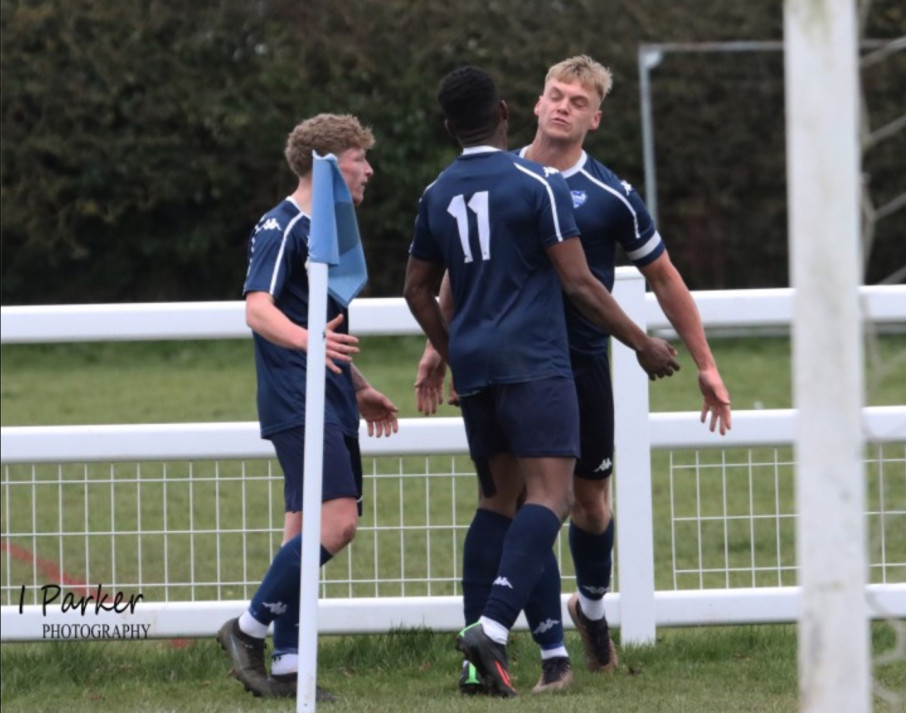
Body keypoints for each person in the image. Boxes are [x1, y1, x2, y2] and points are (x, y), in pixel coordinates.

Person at [414, 55, 732, 688]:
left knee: (585, 505)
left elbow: (663, 277)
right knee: (536, 500)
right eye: (553, 95)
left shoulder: (609, 193)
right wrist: (435, 350)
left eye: (576, 101)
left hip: (579, 365)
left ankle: (586, 612)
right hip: (532, 364)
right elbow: (466, 270)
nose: (561, 106)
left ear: (595, 117)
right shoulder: (516, 179)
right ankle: (545, 653)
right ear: (528, 105)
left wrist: (706, 363)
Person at [217, 113, 399, 701]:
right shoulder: (284, 225)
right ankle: (246, 629)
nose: (368, 169)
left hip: (330, 393)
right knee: (336, 524)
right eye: (357, 158)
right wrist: (310, 343)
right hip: (297, 399)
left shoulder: (327, 233)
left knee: (302, 530)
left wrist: (358, 382)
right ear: (326, 165)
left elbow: (322, 323)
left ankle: (293, 666)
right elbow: (259, 310)